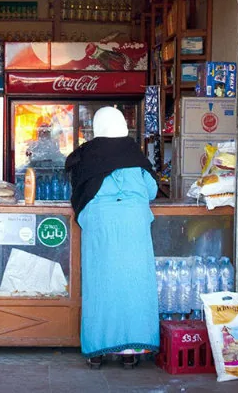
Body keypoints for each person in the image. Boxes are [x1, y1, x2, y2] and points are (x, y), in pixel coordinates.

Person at [64, 106, 159, 368]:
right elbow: (151, 191)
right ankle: (131, 352)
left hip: (99, 224)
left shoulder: (86, 154)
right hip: (133, 223)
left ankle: (97, 351)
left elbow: (78, 188)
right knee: (134, 283)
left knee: (99, 285)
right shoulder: (133, 154)